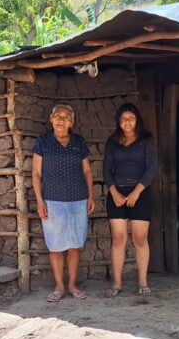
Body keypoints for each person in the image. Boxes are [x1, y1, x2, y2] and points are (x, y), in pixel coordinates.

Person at [32, 104, 95, 302]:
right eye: (57, 116)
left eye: (66, 117)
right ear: (51, 119)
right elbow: (36, 173)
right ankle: (59, 286)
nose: (61, 120)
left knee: (75, 245)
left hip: (78, 200)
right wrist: (40, 201)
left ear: (72, 122)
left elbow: (87, 171)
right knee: (56, 246)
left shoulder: (78, 142)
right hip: (52, 201)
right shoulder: (43, 142)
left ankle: (72, 285)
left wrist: (90, 196)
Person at [102, 103, 157, 297]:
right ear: (118, 121)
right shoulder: (112, 142)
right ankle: (117, 283)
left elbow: (151, 168)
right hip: (117, 194)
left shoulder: (146, 140)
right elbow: (106, 170)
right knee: (118, 238)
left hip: (140, 194)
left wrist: (136, 192)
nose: (127, 122)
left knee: (140, 238)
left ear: (137, 120)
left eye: (131, 118)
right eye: (123, 119)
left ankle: (142, 281)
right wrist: (114, 192)